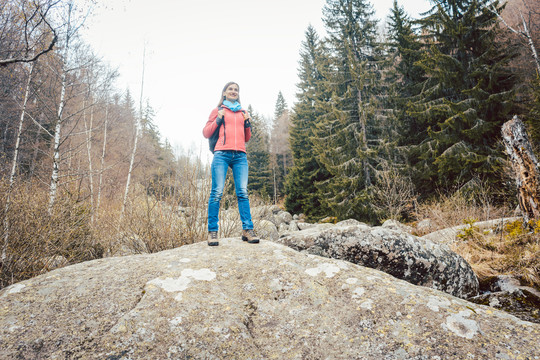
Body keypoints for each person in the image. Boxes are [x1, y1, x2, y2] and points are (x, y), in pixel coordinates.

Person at [202, 81, 260, 246]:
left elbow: (247, 138)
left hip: (240, 155)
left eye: (236, 90)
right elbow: (206, 132)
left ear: (238, 94)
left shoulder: (243, 112)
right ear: (224, 93)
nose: (233, 91)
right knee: (217, 192)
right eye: (230, 89)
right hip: (222, 153)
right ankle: (212, 232)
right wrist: (218, 120)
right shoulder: (218, 110)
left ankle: (247, 230)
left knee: (242, 192)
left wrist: (248, 123)